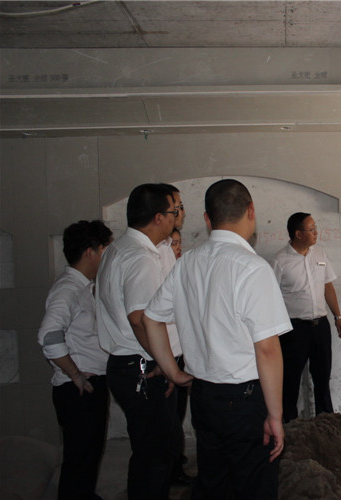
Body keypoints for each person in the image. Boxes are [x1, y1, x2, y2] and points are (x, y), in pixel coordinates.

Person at [143, 179, 291, 498]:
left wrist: (173, 372)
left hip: (204, 397)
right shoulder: (253, 268)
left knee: (214, 485)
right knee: (254, 488)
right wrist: (276, 416)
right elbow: (267, 349)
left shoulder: (187, 263)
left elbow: (151, 318)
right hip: (245, 401)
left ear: (207, 219)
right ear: (251, 211)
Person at [96, 183, 182, 499]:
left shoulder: (119, 249)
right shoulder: (140, 258)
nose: (176, 217)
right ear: (158, 217)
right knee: (155, 456)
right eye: (173, 212)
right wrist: (168, 366)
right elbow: (140, 319)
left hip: (132, 366)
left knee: (151, 452)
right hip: (143, 368)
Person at [38, 220, 112, 500]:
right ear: (90, 252)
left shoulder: (82, 287)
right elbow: (48, 336)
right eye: (104, 250)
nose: (106, 257)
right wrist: (75, 374)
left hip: (87, 387)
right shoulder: (67, 289)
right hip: (78, 390)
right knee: (79, 460)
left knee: (87, 458)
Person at [269, 212, 341, 422]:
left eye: (315, 228)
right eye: (311, 229)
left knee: (322, 377)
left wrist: (338, 316)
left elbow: (328, 286)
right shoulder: (279, 261)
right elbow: (270, 297)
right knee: (290, 380)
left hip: (320, 326)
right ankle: (289, 426)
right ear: (298, 234)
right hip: (293, 330)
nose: (316, 233)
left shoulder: (319, 254)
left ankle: (326, 422)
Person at [155, 184, 192, 486]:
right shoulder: (152, 255)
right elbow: (147, 318)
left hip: (175, 353)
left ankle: (174, 470)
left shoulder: (167, 253)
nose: (181, 212)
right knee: (161, 431)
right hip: (163, 356)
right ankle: (168, 475)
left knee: (174, 420)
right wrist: (166, 364)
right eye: (176, 206)